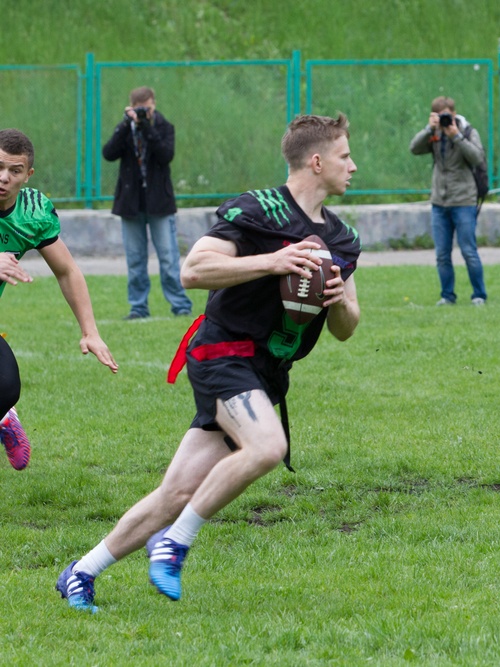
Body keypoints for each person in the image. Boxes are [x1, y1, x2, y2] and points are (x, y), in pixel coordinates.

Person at [56, 114, 360, 612]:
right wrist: (273, 261)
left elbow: (348, 328)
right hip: (222, 352)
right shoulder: (258, 210)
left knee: (175, 492)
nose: (354, 166)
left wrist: (338, 302)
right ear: (317, 160)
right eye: (346, 156)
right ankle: (174, 543)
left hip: (266, 373)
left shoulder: (343, 239)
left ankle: (81, 571)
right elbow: (193, 270)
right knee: (266, 446)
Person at [0, 129, 118, 471]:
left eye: (14, 170)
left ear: (28, 175)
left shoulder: (32, 213)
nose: (4, 178)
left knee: (6, 387)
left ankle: (5, 418)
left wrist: (90, 331)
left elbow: (67, 271)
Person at [102, 86, 193, 319]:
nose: (146, 113)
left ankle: (180, 305)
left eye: (149, 108)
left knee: (168, 257)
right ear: (132, 107)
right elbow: (109, 153)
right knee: (135, 259)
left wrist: (147, 127)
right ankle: (138, 307)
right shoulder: (125, 128)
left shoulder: (163, 127)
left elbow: (165, 155)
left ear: (154, 104)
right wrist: (126, 124)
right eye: (141, 109)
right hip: (131, 203)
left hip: (159, 202)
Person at [409, 96, 488, 306]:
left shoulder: (468, 131)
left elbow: (477, 157)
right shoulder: (434, 133)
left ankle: (479, 295)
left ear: (454, 113)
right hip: (439, 202)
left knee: (468, 251)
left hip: (463, 200)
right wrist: (429, 128)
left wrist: (456, 136)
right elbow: (414, 148)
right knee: (442, 254)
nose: (445, 120)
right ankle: (447, 296)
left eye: (447, 115)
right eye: (440, 116)